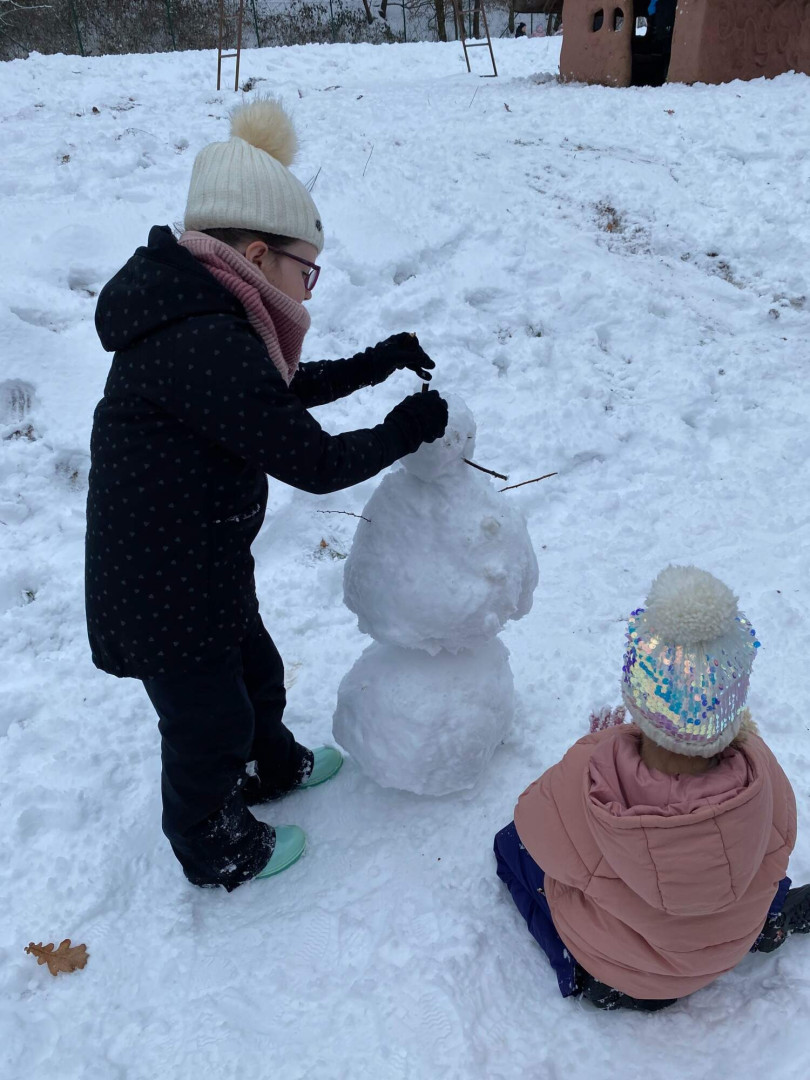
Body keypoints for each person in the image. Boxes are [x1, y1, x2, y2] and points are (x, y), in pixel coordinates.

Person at [86, 98, 448, 891]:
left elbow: (269, 394)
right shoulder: (199, 337)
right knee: (208, 724)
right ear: (256, 254)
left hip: (199, 565)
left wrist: (377, 361)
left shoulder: (205, 316)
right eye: (305, 271)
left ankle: (271, 764)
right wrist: (404, 429)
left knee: (256, 674)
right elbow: (312, 460)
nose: (307, 293)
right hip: (158, 592)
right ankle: (212, 843)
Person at [494, 565, 808, 1009]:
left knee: (509, 847)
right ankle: (765, 922)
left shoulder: (591, 778)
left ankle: (587, 975)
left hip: (642, 977)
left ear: (639, 692)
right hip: (731, 939)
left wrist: (599, 749)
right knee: (750, 864)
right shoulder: (761, 767)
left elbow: (530, 819)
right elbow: (778, 844)